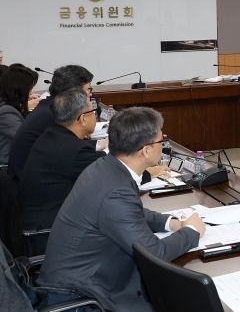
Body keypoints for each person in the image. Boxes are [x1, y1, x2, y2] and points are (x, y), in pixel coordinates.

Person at [37, 107, 205, 311]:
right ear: (146, 150)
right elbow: (155, 254)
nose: (163, 145)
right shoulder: (115, 190)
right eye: (162, 141)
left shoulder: (105, 167)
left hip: (82, 277)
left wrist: (171, 223)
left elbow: (131, 213)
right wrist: (192, 231)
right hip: (83, 296)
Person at [18, 89, 106, 255]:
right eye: (93, 111)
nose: (95, 115)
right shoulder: (74, 151)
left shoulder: (51, 135)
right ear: (83, 119)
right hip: (48, 235)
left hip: (38, 223)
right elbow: (113, 174)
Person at [8, 64, 100, 178]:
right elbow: (71, 151)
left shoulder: (49, 106)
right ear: (74, 93)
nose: (90, 94)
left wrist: (98, 143)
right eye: (88, 89)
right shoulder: (53, 114)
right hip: (26, 180)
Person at [0, 64, 38, 166]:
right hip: (7, 166)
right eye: (29, 88)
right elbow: (26, 137)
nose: (30, 92)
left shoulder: (9, 105)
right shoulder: (6, 112)